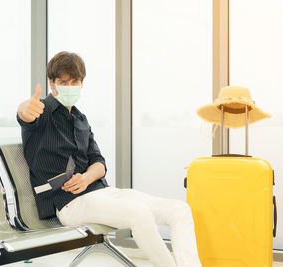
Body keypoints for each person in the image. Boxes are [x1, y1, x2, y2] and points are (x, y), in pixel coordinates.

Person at [16, 51, 201, 267]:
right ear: (52, 83)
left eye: (74, 82)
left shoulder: (81, 119)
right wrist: (24, 110)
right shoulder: (42, 113)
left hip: (101, 192)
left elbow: (99, 162)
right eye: (62, 82)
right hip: (70, 203)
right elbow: (25, 116)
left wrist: (85, 178)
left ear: (81, 83)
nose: (68, 87)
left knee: (179, 210)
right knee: (139, 214)